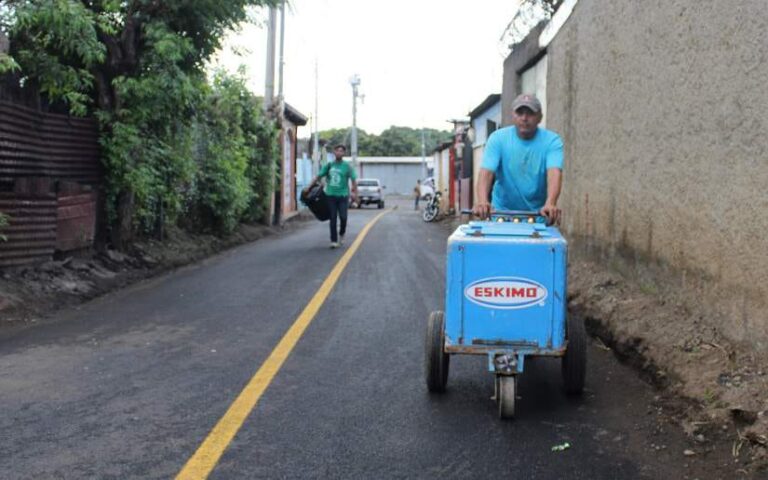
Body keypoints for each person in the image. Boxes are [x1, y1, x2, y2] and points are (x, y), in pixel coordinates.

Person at [473, 94, 563, 225]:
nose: (524, 118)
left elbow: (554, 173)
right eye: (520, 113)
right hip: (501, 215)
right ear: (513, 115)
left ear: (540, 117)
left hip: (537, 216)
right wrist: (482, 201)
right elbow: (486, 172)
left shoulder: (552, 141)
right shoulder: (497, 139)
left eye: (530, 113)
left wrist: (551, 203)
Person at [305, 144, 358, 248]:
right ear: (334, 152)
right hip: (330, 196)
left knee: (343, 217)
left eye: (341, 151)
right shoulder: (329, 165)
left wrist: (356, 196)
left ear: (344, 153)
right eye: (337, 150)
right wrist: (309, 187)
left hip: (343, 196)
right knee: (333, 218)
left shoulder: (347, 166)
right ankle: (333, 241)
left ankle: (342, 233)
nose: (339, 152)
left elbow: (354, 181)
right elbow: (318, 177)